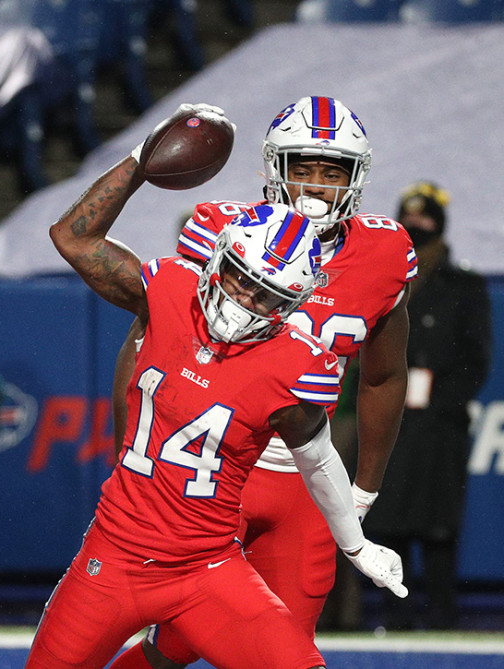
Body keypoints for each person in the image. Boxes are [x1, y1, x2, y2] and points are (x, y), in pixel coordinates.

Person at [26, 103, 406, 669]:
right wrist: (129, 458)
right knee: (168, 650)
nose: (315, 185)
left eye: (333, 171)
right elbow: (149, 341)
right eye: (304, 165)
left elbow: (369, 390)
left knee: (281, 645)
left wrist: (362, 501)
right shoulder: (215, 238)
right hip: (205, 475)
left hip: (290, 487)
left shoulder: (378, 257)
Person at [364, 182, 491, 630]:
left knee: (439, 525)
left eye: (426, 218)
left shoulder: (464, 286)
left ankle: (442, 614)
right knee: (389, 522)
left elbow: (476, 358)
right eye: (409, 218)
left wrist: (439, 400)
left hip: (440, 424)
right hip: (388, 418)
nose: (417, 225)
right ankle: (393, 616)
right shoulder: (382, 281)